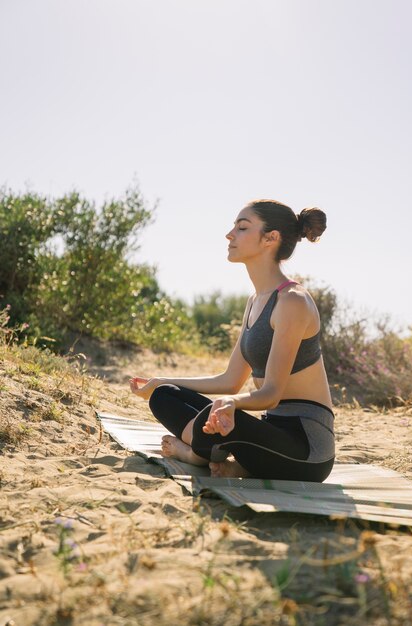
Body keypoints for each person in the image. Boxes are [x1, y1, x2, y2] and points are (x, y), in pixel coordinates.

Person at [129, 199, 335, 481]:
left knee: (216, 415)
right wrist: (163, 380)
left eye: (242, 227)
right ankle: (234, 462)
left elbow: (271, 394)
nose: (230, 234)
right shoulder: (255, 301)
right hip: (268, 434)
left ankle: (196, 454)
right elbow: (229, 381)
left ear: (270, 239)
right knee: (165, 396)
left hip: (305, 449)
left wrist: (230, 403)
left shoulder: (292, 302)